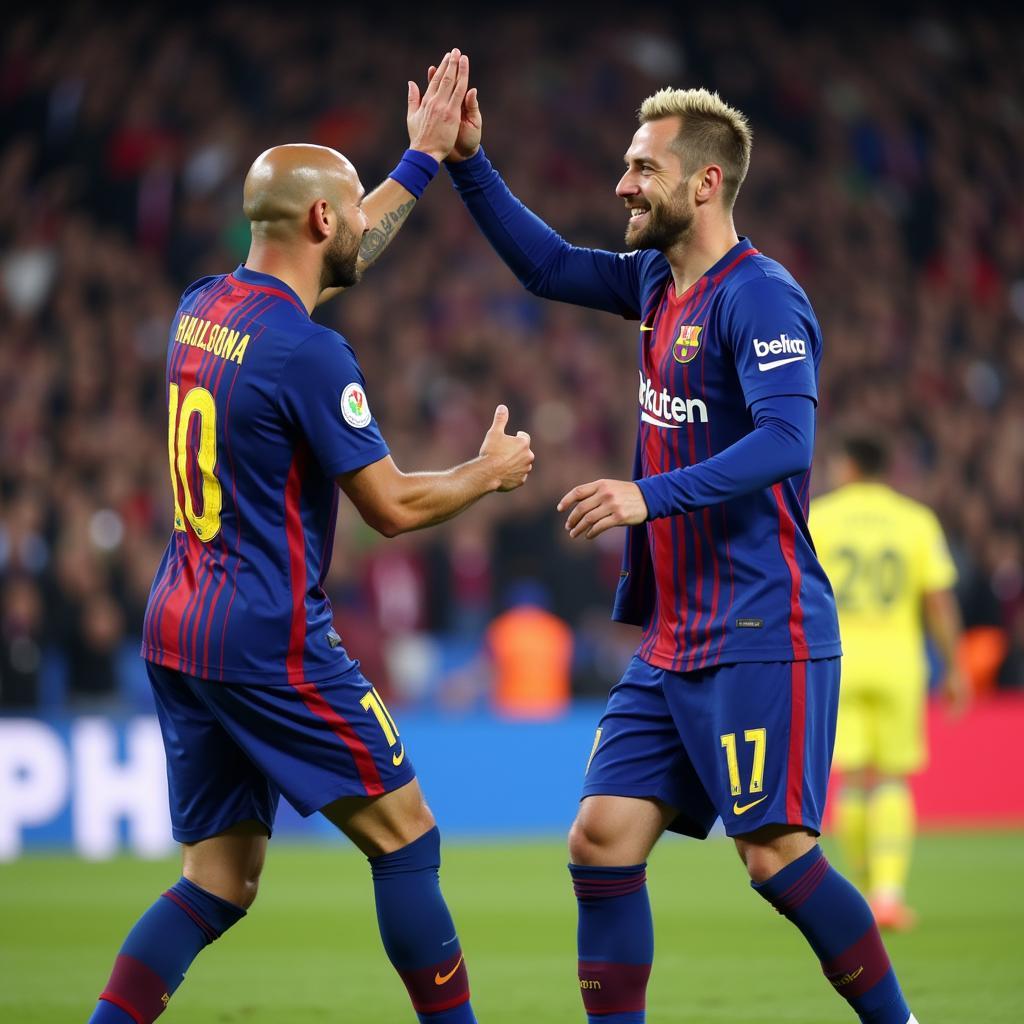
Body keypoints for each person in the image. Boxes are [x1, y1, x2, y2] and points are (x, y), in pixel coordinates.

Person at [443, 83, 920, 1024]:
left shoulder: (763, 299)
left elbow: (788, 442)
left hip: (760, 623)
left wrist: (645, 497)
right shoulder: (659, 283)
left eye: (642, 168)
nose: (623, 184)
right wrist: (467, 160)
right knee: (602, 837)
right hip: (675, 635)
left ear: (705, 184)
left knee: (775, 858)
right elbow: (545, 268)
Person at [87, 50, 534, 1024]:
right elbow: (391, 507)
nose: (361, 227)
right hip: (267, 636)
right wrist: (485, 474)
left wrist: (419, 159)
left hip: (178, 624)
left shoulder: (201, 306)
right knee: (406, 838)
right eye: (350, 212)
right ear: (322, 221)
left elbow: (342, 245)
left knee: (217, 881)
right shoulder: (307, 350)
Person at [811, 432, 968, 930]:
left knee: (853, 780)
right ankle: (888, 894)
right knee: (893, 779)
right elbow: (937, 600)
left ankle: (860, 892)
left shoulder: (821, 515)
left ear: (851, 467)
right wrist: (956, 666)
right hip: (900, 662)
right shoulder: (915, 520)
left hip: (837, 661)